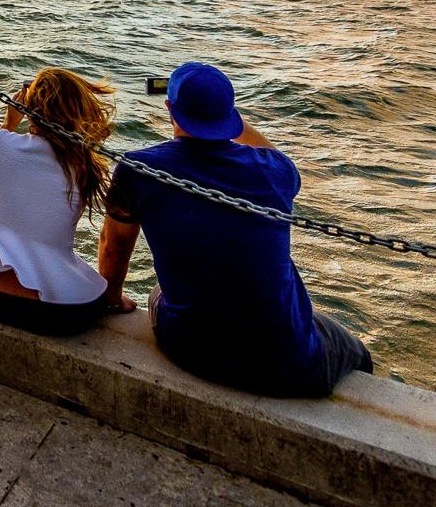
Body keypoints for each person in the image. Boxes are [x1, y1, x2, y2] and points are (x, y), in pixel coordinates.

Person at [95, 62, 372, 397]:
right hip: (291, 367)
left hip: (188, 349)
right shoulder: (277, 172)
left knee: (159, 293)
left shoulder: (137, 168)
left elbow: (113, 245)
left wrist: (111, 300)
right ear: (231, 115)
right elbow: (267, 150)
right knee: (354, 349)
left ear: (170, 108)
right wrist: (226, 115)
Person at [0, 69, 133, 336]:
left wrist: (9, 123)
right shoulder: (83, 166)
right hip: (63, 314)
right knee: (88, 282)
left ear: (28, 106)